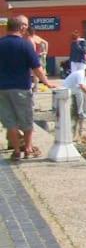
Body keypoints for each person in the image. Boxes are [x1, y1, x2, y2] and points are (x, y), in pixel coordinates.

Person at [0, 15, 51, 160]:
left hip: (2, 89)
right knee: (26, 120)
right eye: (26, 26)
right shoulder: (25, 45)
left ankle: (16, 151)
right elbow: (37, 68)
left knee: (10, 123)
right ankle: (28, 149)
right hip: (21, 88)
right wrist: (46, 82)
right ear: (21, 27)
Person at [62, 65, 86, 138]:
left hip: (73, 88)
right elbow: (82, 87)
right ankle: (80, 111)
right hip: (67, 88)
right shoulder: (80, 74)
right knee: (80, 92)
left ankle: (85, 110)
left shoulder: (84, 75)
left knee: (84, 94)